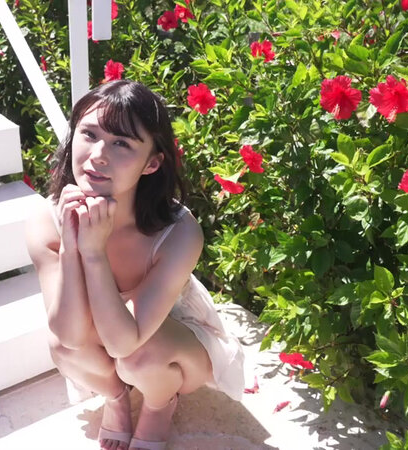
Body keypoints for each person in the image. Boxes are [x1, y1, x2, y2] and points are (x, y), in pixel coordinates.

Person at [25, 80, 244, 450]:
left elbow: (124, 342)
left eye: (122, 143)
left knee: (137, 356)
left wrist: (95, 252)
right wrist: (73, 247)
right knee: (60, 345)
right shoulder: (46, 220)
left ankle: (160, 404)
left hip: (174, 341)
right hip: (107, 332)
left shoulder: (178, 231)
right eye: (89, 134)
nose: (98, 155)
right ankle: (116, 399)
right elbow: (70, 336)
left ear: (152, 163)